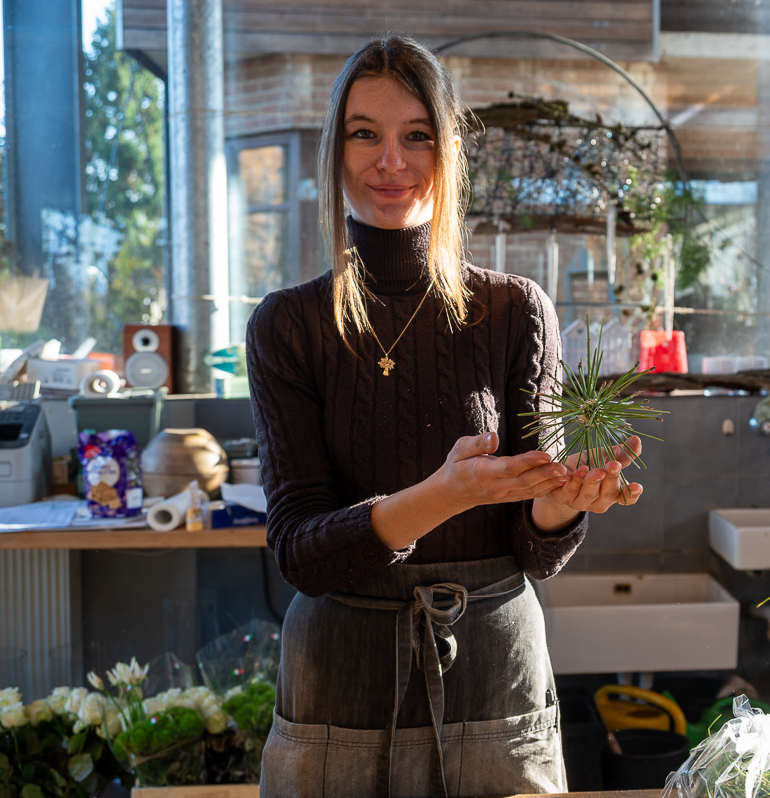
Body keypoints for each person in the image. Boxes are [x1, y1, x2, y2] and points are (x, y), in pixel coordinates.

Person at [245, 35, 644, 798]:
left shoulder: (515, 309)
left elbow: (535, 547)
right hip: (341, 673)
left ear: (448, 150)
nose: (389, 160)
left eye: (416, 135)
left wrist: (559, 505)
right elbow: (299, 551)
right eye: (365, 133)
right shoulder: (289, 324)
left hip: (494, 670)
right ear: (336, 150)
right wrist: (447, 493)